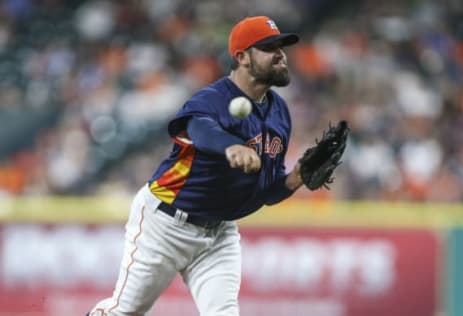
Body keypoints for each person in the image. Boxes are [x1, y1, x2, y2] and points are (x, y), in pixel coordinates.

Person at [88, 15, 306, 316]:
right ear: (242, 57)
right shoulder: (212, 98)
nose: (281, 54)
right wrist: (230, 146)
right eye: (269, 47)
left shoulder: (280, 112)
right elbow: (199, 130)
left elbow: (266, 192)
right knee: (125, 311)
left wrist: (296, 178)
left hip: (219, 231)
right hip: (165, 221)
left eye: (281, 46)